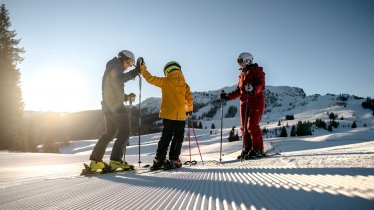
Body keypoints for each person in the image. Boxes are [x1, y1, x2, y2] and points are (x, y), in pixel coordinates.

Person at [89, 50, 140, 172]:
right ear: (125, 59)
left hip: (108, 105)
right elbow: (118, 80)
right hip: (116, 106)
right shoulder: (117, 65)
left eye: (132, 63)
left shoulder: (112, 66)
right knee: (125, 131)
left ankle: (96, 162)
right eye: (130, 62)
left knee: (109, 134)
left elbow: (112, 88)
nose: (129, 65)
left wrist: (126, 97)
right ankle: (116, 161)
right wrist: (135, 72)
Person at [139, 61, 193, 170]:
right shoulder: (185, 84)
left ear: (167, 71)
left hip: (168, 115)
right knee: (178, 138)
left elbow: (150, 78)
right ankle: (174, 160)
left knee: (165, 137)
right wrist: (189, 110)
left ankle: (159, 160)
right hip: (181, 116)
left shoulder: (165, 81)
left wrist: (142, 69)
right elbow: (189, 98)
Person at [220, 52, 266, 159]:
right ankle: (248, 148)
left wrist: (254, 89)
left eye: (240, 61)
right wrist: (227, 96)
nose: (239, 64)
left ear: (247, 60)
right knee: (244, 127)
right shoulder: (241, 75)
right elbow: (238, 91)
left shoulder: (257, 71)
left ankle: (258, 149)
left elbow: (261, 85)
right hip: (244, 103)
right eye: (238, 61)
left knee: (252, 125)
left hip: (256, 101)